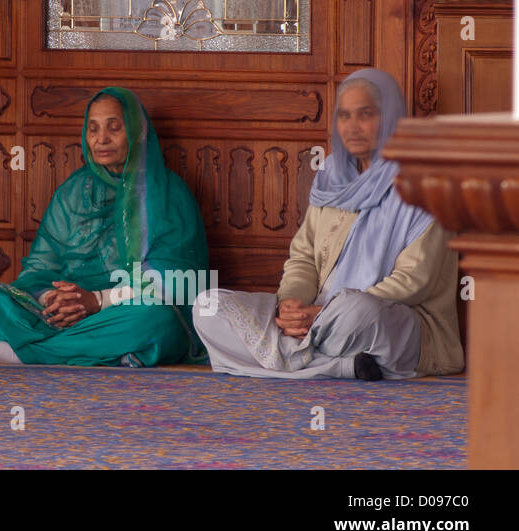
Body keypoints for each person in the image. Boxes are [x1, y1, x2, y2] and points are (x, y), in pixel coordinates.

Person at [192, 67, 464, 380]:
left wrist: (325, 314)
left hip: (390, 320)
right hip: (317, 318)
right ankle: (341, 367)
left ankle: (285, 360)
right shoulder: (333, 177)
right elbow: (304, 258)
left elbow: (414, 281)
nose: (352, 127)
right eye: (344, 116)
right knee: (207, 306)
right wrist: (291, 305)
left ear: (390, 116)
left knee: (359, 313)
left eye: (365, 114)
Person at [0, 86, 209, 366]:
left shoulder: (167, 193)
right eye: (93, 129)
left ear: (136, 132)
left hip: (119, 311)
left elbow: (178, 282)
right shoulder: (72, 191)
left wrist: (96, 300)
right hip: (61, 318)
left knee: (157, 320)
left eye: (114, 128)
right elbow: (38, 268)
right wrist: (56, 300)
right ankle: (98, 352)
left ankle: (21, 354)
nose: (101, 139)